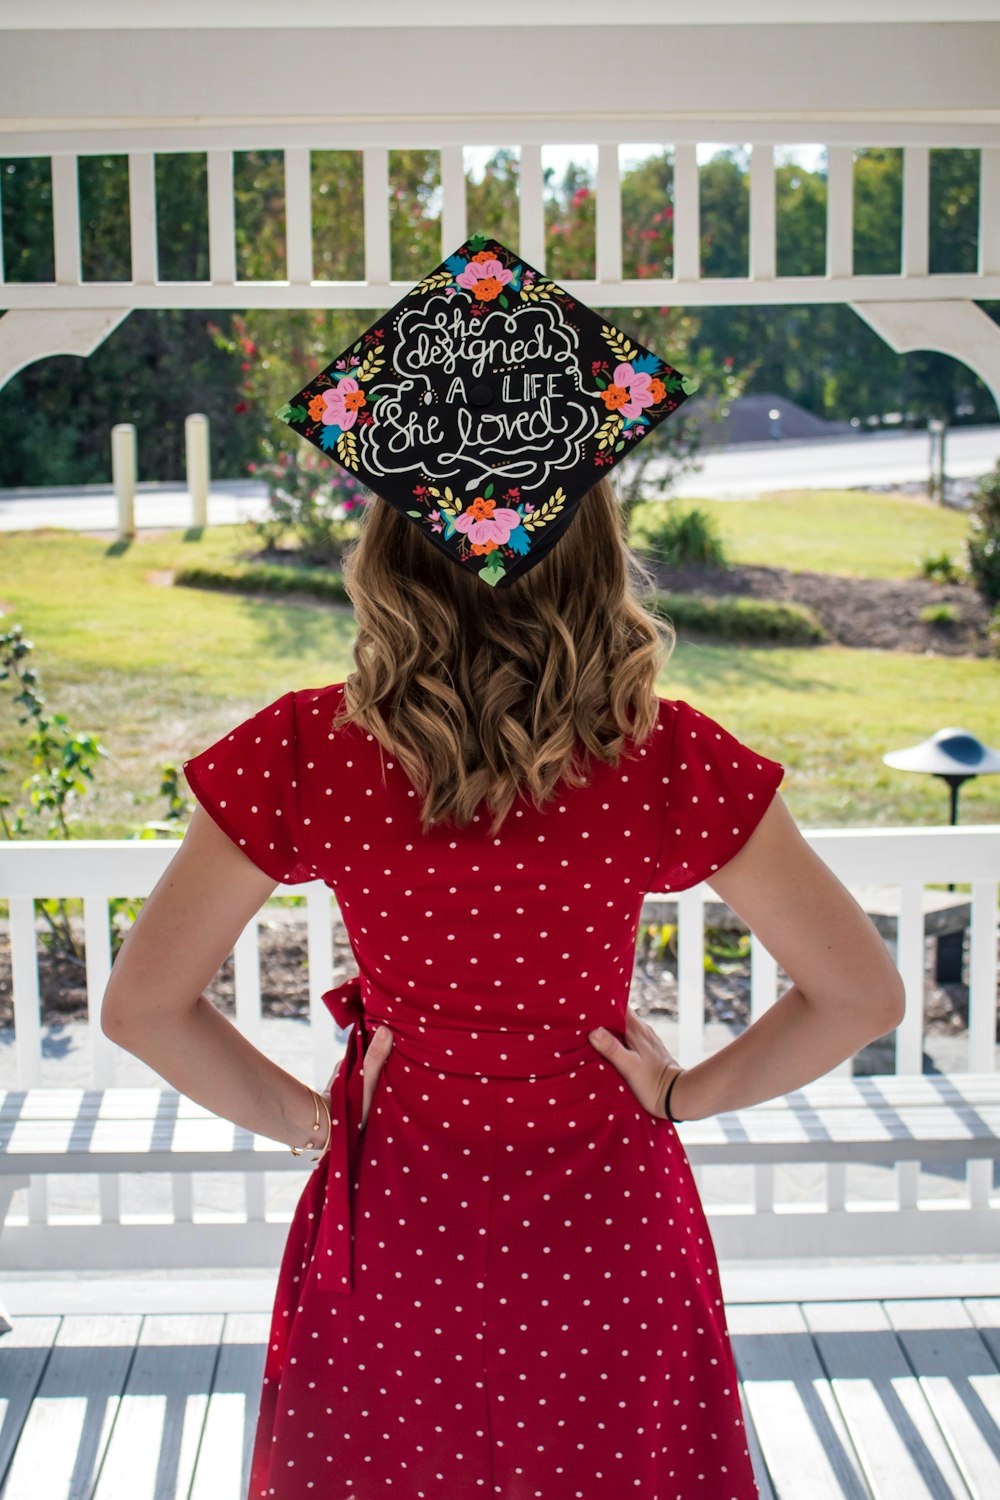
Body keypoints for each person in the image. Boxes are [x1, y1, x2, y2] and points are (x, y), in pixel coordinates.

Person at [101, 472, 905, 1500]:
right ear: (595, 554)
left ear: (387, 555)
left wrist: (321, 1123)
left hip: (396, 1222)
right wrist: (678, 1095)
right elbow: (860, 997)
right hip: (606, 1232)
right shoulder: (659, 756)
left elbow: (142, 1008)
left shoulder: (313, 750)